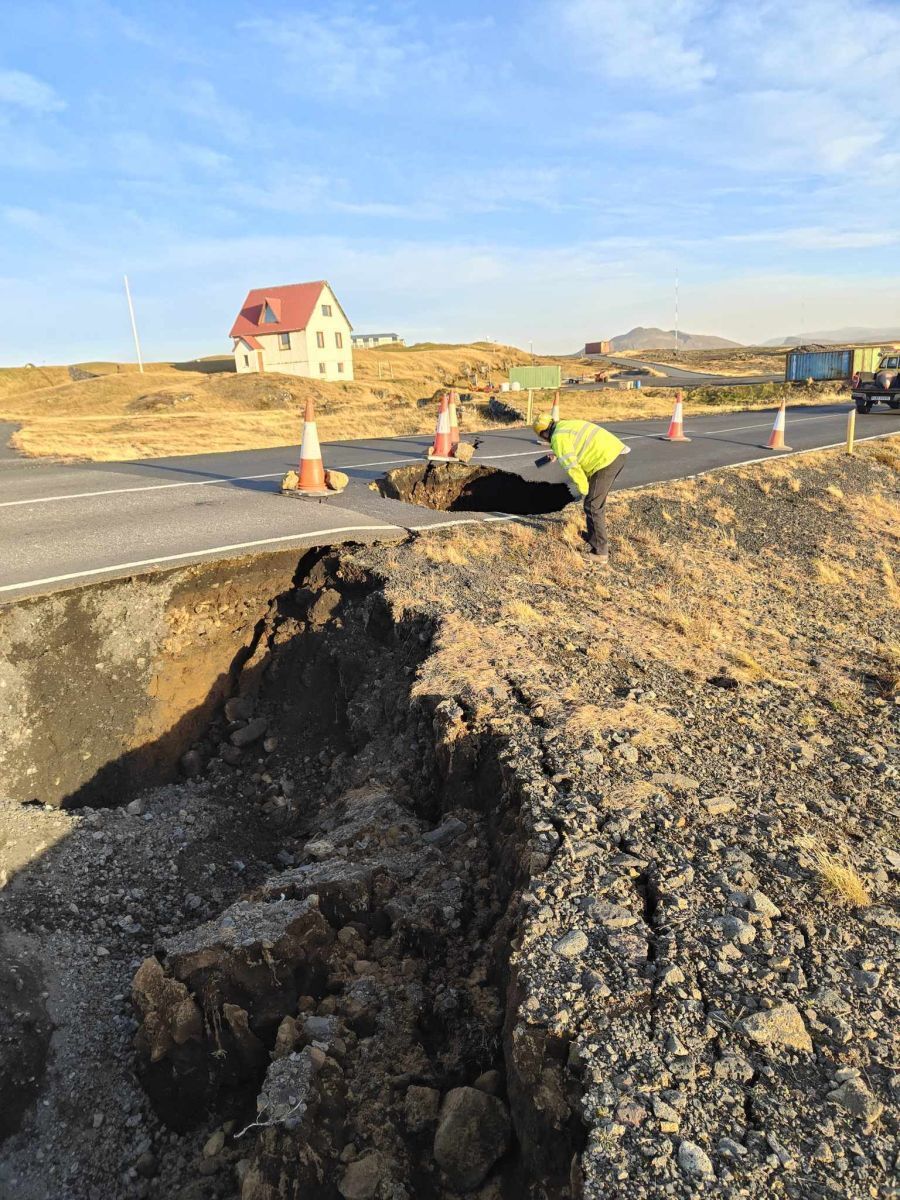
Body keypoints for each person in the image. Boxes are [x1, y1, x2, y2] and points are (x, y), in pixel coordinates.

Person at [533, 413, 630, 564]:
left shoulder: (558, 439)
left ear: (544, 433)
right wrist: (558, 453)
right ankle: (595, 536)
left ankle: (600, 552)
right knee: (597, 503)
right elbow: (576, 444)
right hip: (616, 453)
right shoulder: (564, 426)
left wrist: (583, 490)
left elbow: (573, 468)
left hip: (605, 462)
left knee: (592, 505)